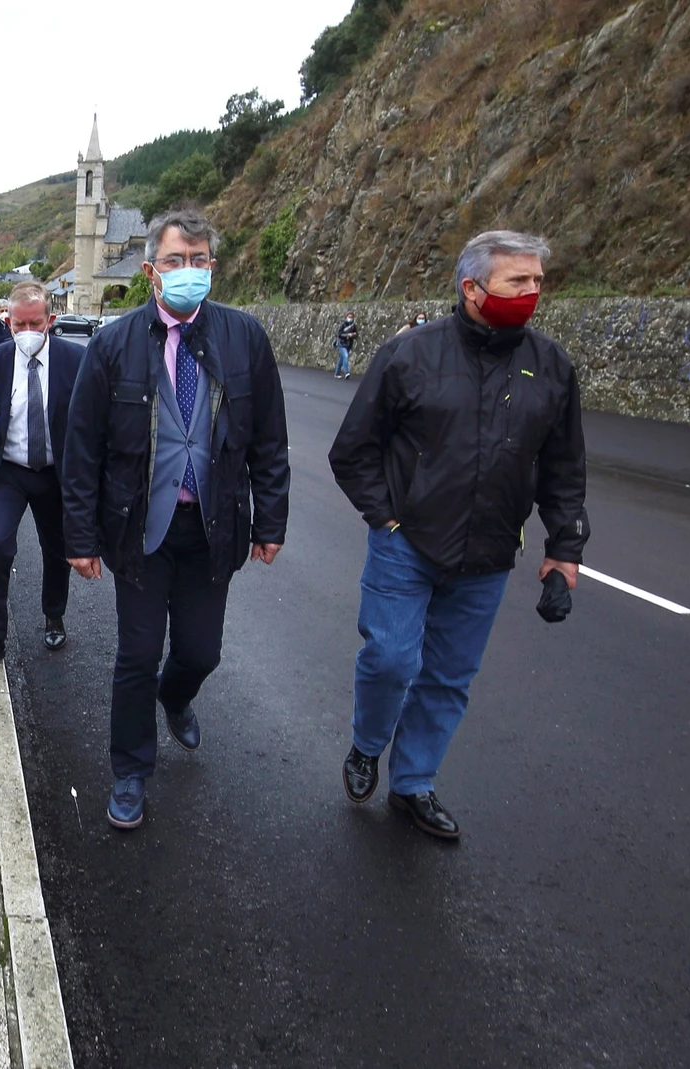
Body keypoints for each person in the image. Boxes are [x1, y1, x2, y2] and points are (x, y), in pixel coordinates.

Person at [327, 230, 588, 840]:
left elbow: (564, 465)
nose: (531, 293)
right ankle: (368, 744)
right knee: (391, 658)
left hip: (491, 553)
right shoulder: (409, 355)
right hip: (407, 545)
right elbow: (353, 451)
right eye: (516, 281)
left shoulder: (551, 367)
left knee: (448, 677)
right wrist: (387, 518)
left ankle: (413, 784)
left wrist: (563, 550)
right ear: (472, 288)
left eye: (537, 282)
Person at [60, 207, 291, 831]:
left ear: (211, 267)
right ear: (151, 270)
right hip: (140, 530)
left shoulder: (245, 339)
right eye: (173, 261)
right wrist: (79, 536)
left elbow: (269, 440)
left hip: (212, 528)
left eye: (198, 261)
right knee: (137, 654)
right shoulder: (112, 345)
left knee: (201, 651)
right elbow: (82, 451)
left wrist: (271, 521)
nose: (186, 272)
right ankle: (130, 771)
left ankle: (178, 694)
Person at [0, 280, 78, 675]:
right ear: (7, 320)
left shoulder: (74, 361)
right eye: (19, 325)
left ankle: (54, 615)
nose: (27, 332)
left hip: (53, 472)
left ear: (51, 319)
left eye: (35, 323)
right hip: (7, 472)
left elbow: (86, 426)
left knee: (58, 548)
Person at [334, 312, 359, 378]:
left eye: (351, 317)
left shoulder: (353, 326)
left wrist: (353, 335)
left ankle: (337, 373)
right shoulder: (342, 325)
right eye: (349, 317)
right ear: (346, 317)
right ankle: (347, 372)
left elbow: (357, 334)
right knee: (345, 356)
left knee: (342, 358)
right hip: (341, 343)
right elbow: (339, 334)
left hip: (348, 344)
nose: (350, 318)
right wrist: (347, 335)